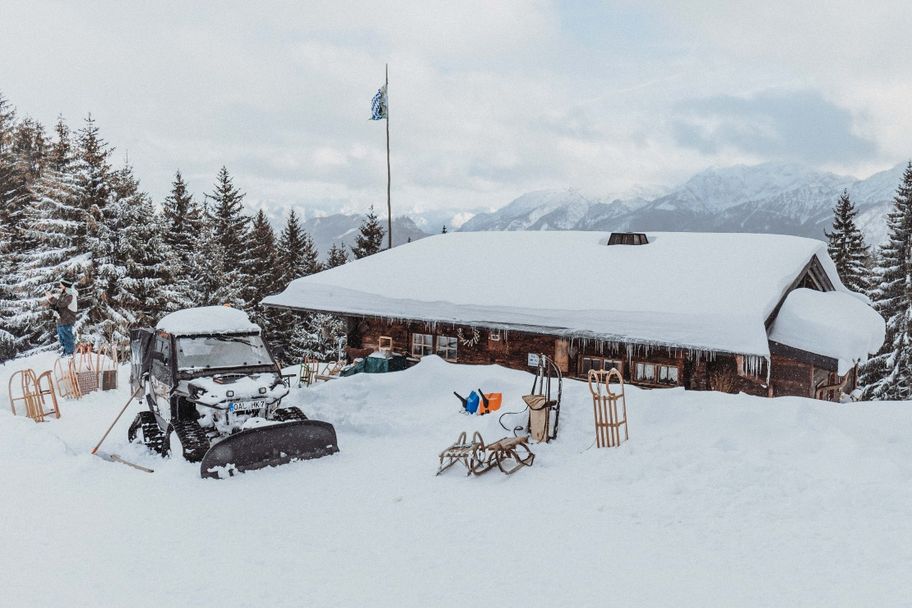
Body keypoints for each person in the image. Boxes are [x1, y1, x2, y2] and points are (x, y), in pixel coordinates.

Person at [46, 279, 77, 356]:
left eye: (61, 284)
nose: (60, 286)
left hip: (67, 319)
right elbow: (57, 306)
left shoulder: (70, 295)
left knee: (67, 337)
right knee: (62, 338)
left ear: (65, 285)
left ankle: (69, 354)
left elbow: (61, 304)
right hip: (61, 319)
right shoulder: (64, 294)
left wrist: (51, 298)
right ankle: (65, 352)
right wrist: (51, 302)